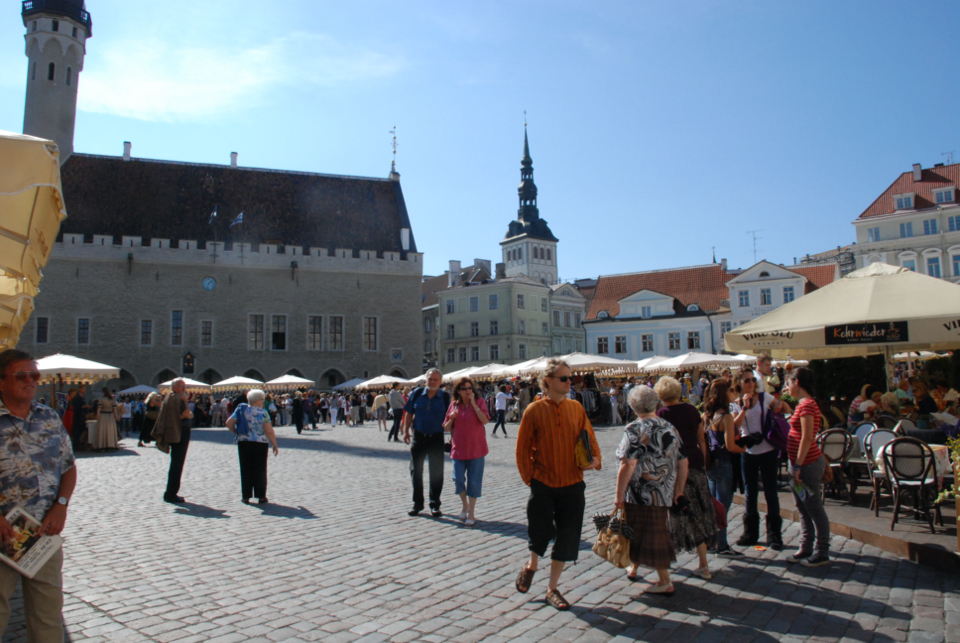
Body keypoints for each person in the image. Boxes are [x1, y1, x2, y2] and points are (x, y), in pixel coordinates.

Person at [0, 351, 78, 641]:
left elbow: (68, 467)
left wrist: (61, 506)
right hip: (4, 532)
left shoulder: (48, 416)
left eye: (35, 375)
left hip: (43, 530)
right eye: (22, 376)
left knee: (48, 616)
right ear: (1, 381)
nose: (31, 381)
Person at [515, 358, 601, 611]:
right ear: (549, 381)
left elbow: (589, 437)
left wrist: (596, 459)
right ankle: (532, 564)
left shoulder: (576, 407)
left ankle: (552, 588)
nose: (569, 382)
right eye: (564, 378)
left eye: (570, 378)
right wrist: (530, 478)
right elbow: (522, 449)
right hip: (543, 481)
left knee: (568, 534)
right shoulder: (534, 410)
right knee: (539, 530)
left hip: (573, 482)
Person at [615, 385, 686, 596]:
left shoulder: (635, 429)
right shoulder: (669, 427)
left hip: (639, 492)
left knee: (653, 533)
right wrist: (678, 490)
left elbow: (627, 464)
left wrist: (618, 495)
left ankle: (665, 580)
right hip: (664, 489)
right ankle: (634, 565)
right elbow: (683, 463)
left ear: (633, 406)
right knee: (639, 529)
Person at [655, 377, 717, 578]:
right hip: (696, 462)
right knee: (698, 511)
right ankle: (704, 563)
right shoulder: (691, 409)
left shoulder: (662, 414)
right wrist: (704, 459)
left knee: (675, 513)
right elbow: (701, 437)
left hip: (674, 467)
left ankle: (667, 559)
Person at [733, 370, 791, 550]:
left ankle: (775, 535)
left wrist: (778, 405)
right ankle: (750, 534)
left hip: (768, 448)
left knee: (771, 492)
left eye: (752, 380)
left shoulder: (764, 397)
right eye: (747, 380)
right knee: (750, 493)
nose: (751, 383)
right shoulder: (736, 403)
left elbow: (786, 409)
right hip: (748, 451)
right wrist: (743, 407)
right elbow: (734, 426)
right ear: (739, 383)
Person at [784, 368, 830, 567]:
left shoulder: (808, 405)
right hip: (799, 465)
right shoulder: (802, 404)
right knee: (803, 507)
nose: (787, 386)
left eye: (789, 382)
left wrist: (797, 465)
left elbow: (807, 437)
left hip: (806, 466)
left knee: (814, 507)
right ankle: (806, 547)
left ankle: (822, 551)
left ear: (797, 382)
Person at [702, 379, 746, 558]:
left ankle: (712, 542)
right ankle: (722, 545)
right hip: (725, 464)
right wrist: (745, 449)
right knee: (723, 507)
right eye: (731, 390)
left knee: (714, 507)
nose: (734, 393)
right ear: (723, 393)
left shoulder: (708, 415)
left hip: (711, 464)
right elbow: (730, 445)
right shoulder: (726, 416)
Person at [403, 369, 450, 517]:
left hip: (436, 437)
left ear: (440, 382)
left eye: (436, 380)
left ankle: (435, 504)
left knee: (436, 473)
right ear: (426, 379)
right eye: (430, 379)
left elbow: (452, 418)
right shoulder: (417, 393)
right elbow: (409, 413)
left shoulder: (445, 397)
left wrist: (453, 437)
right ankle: (417, 504)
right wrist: (405, 432)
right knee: (416, 471)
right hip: (419, 436)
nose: (433, 382)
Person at [443, 377, 489, 526]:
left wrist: (474, 404)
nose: (468, 391)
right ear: (458, 391)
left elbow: (485, 420)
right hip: (458, 449)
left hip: (476, 449)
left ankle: (472, 513)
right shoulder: (453, 405)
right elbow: (446, 428)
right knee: (458, 480)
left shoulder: (480, 402)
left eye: (470, 388)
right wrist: (451, 418)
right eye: (464, 389)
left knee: (474, 482)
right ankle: (465, 505)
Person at [226, 389, 280, 504]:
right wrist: (274, 444)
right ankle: (261, 496)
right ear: (257, 401)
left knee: (245, 468)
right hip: (260, 443)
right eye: (262, 399)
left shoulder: (242, 410)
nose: (263, 401)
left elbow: (229, 423)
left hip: (244, 442)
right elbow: (269, 431)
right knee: (260, 469)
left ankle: (246, 496)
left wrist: (235, 432)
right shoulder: (263, 413)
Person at [152, 379, 194, 504]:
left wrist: (187, 415)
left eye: (184, 386)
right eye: (182, 386)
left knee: (175, 463)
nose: (184, 388)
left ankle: (170, 492)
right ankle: (171, 493)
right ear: (175, 387)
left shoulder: (169, 397)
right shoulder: (178, 398)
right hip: (180, 433)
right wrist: (186, 403)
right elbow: (187, 414)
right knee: (177, 463)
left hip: (174, 432)